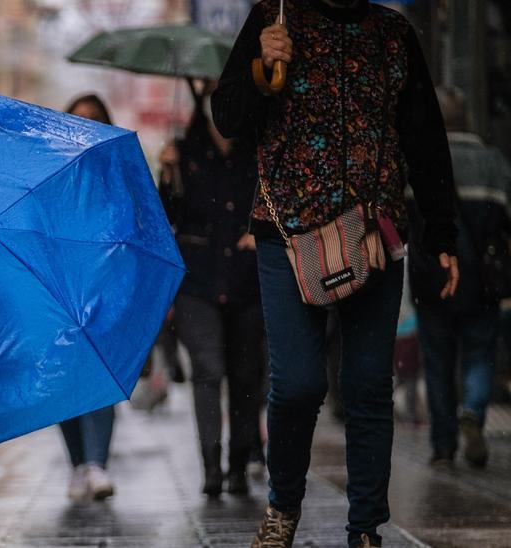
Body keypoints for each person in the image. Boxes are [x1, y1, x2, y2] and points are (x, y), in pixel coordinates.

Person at [212, 1, 460, 547]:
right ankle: (283, 507)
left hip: (373, 232)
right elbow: (227, 117)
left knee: (369, 385)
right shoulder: (275, 15)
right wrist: (260, 70)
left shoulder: (394, 33)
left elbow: (424, 137)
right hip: (288, 234)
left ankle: (365, 527)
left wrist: (442, 234)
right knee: (298, 383)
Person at [161, 88, 266, 498]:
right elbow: (167, 215)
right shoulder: (185, 153)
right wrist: (168, 175)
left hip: (246, 279)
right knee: (208, 369)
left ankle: (239, 462)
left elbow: (275, 204)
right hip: (198, 281)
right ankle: (211, 464)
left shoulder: (258, 152)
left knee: (246, 376)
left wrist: (260, 233)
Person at [409, 87, 511, 469]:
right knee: (480, 353)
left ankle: (443, 444)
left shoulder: (420, 161)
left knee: (437, 362)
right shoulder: (493, 162)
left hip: (432, 279)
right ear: (466, 118)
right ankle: (473, 410)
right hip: (483, 280)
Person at [57, 94, 118, 502]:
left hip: (104, 288)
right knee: (64, 382)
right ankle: (79, 463)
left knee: (99, 375)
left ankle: (97, 463)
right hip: (59, 291)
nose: (86, 128)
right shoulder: (54, 175)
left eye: (94, 119)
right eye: (77, 121)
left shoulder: (117, 172)